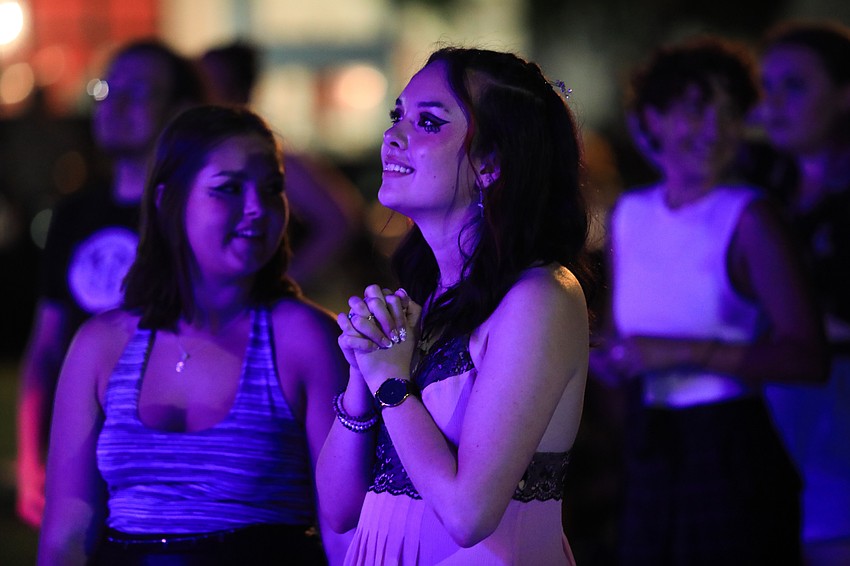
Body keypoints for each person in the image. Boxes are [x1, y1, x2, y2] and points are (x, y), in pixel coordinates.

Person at [37, 105, 348, 565]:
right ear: (168, 201)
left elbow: (344, 529)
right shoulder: (101, 345)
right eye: (228, 189)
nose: (257, 209)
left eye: (272, 188)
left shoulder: (303, 338)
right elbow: (66, 531)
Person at [316, 47, 591, 565]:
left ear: (490, 163)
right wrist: (363, 375)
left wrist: (392, 385)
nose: (393, 136)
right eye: (397, 115)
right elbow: (337, 508)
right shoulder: (420, 299)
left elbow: (469, 514)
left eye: (428, 122)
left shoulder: (541, 297)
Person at [592, 37, 828, 565]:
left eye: (730, 113)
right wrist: (606, 361)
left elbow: (807, 357)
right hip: (650, 442)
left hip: (730, 445)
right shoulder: (632, 213)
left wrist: (680, 352)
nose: (715, 130)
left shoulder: (749, 217)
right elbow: (623, 339)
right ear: (652, 118)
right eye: (696, 111)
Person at [16, 38, 205, 529]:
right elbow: (46, 343)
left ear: (180, 109)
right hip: (79, 439)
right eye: (107, 89)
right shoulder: (74, 213)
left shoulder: (196, 214)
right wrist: (29, 457)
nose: (114, 105)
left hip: (163, 448)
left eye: (138, 92)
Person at [758, 20, 850, 565]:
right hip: (769, 416)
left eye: (794, 86)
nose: (774, 103)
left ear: (844, 94)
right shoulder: (761, 185)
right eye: (766, 87)